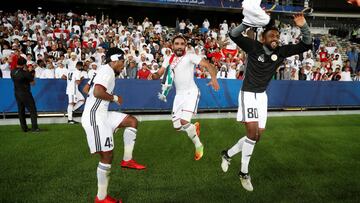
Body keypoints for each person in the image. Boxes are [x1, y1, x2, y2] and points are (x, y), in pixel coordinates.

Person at [220, 12, 312, 191]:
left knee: (256, 137)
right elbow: (233, 34)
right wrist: (249, 21)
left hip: (262, 97)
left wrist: (303, 26)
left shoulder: (282, 51)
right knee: (252, 135)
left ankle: (227, 154)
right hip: (248, 94)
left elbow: (306, 44)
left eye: (277, 35)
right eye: (271, 35)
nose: (275, 38)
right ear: (263, 38)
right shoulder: (254, 47)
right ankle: (244, 173)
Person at [81, 48, 146, 203]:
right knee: (107, 155)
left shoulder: (103, 70)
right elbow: (97, 92)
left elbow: (86, 89)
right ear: (115, 60)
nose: (123, 65)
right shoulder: (107, 71)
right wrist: (115, 97)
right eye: (122, 62)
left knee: (132, 121)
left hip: (102, 113)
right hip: (95, 117)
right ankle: (101, 198)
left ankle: (127, 160)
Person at [151, 35, 219, 160]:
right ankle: (193, 128)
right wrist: (153, 76)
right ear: (172, 45)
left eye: (182, 44)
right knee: (177, 127)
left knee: (184, 122)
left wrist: (214, 79)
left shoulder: (190, 57)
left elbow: (209, 66)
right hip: (179, 95)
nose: (179, 46)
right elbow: (159, 73)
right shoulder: (169, 59)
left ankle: (199, 145)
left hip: (191, 92)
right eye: (177, 43)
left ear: (185, 45)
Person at [10, 57, 40, 132]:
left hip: (17, 93)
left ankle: (24, 128)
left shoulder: (12, 71)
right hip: (25, 93)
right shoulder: (25, 73)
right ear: (24, 64)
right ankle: (34, 128)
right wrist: (32, 73)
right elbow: (33, 83)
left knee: (21, 111)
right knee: (32, 110)